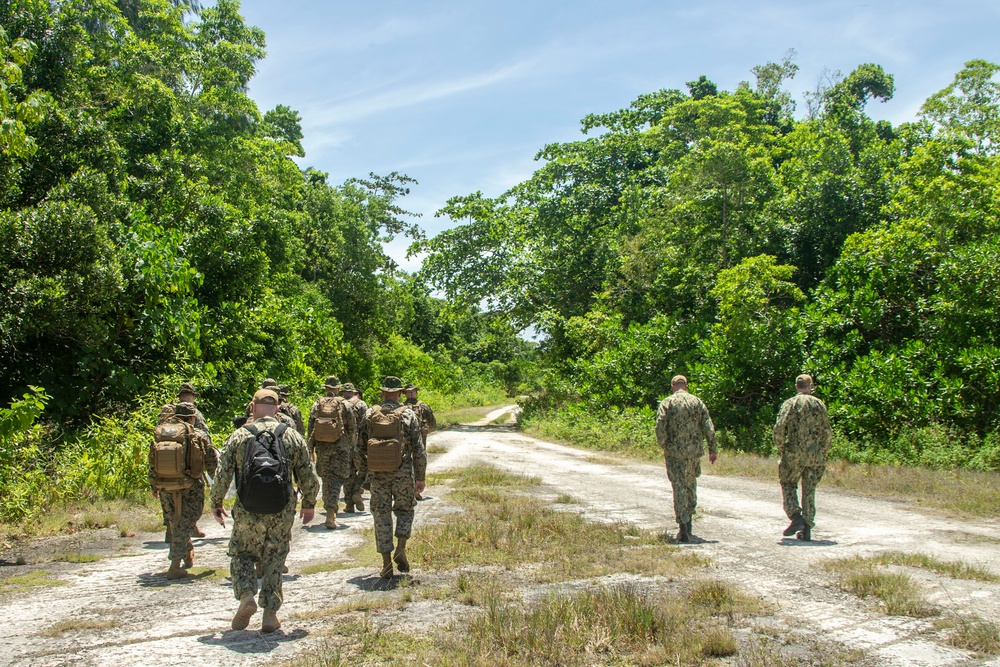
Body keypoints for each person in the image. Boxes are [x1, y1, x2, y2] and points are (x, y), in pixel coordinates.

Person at [210, 389, 320, 632]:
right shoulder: (291, 436)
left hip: (248, 509)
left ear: (253, 407)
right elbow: (308, 475)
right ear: (278, 408)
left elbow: (222, 474)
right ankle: (270, 614)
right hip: (281, 509)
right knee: (274, 557)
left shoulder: (239, 436)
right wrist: (309, 503)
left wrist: (216, 502)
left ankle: (247, 594)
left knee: (242, 554)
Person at [357, 376, 425, 579]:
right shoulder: (409, 415)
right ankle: (401, 547)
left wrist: (364, 474)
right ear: (400, 394)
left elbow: (358, 448)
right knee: (405, 510)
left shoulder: (369, 414)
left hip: (378, 474)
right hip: (403, 472)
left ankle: (386, 564)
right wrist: (420, 477)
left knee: (381, 515)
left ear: (382, 392)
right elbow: (419, 449)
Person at [149, 401, 218, 579]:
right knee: (187, 521)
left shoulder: (162, 434)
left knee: (175, 521)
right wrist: (217, 484)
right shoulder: (198, 434)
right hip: (190, 485)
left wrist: (154, 484)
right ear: (192, 417)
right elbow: (211, 461)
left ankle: (186, 552)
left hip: (165, 484)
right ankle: (175, 565)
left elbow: (152, 461)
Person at [655, 375, 717, 543]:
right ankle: (688, 521)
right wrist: (713, 449)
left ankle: (683, 526)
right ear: (686, 386)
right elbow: (708, 427)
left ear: (673, 386)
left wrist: (664, 444)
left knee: (678, 486)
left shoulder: (667, 403)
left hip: (674, 453)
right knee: (690, 484)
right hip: (693, 453)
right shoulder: (697, 402)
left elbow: (660, 425)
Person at [774, 374, 833, 542]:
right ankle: (807, 527)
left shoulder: (790, 404)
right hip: (815, 454)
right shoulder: (819, 404)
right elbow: (827, 432)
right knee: (809, 489)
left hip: (794, 452)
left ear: (796, 386)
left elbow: (779, 428)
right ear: (810, 386)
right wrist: (822, 450)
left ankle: (795, 516)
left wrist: (782, 448)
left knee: (788, 483)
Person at [306, 376, 358, 529]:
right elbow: (352, 428)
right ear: (337, 389)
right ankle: (331, 510)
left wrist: (311, 449)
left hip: (322, 448)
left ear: (326, 388)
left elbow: (311, 428)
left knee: (326, 478)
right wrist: (350, 446)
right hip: (340, 448)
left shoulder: (316, 405)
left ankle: (328, 505)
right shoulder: (345, 404)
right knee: (337, 479)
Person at [176, 382, 211, 539]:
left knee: (171, 496)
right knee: (192, 500)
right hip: (190, 465)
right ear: (192, 396)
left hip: (171, 464)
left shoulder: (169, 412)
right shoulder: (194, 413)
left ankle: (171, 530)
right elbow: (205, 437)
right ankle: (191, 527)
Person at [403, 384, 436, 500]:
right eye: (409, 392)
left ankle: (415, 489)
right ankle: (410, 489)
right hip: (409, 439)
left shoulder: (422, 406)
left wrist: (427, 430)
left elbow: (432, 422)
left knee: (416, 462)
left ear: (416, 392)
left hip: (416, 438)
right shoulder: (402, 407)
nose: (411, 394)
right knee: (411, 462)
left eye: (412, 392)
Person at [340, 382, 369, 512]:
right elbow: (368, 424)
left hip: (344, 445)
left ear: (343, 393)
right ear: (353, 392)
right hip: (359, 444)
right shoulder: (362, 404)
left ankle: (349, 505)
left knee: (348, 474)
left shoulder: (339, 404)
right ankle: (357, 491)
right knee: (364, 470)